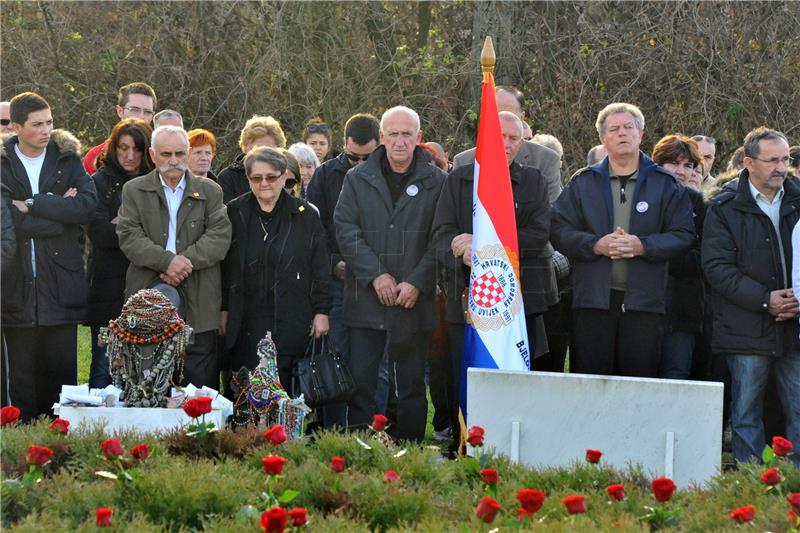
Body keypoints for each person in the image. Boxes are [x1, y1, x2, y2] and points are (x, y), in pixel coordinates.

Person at [551, 102, 694, 378]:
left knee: (639, 387)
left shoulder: (665, 184)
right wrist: (594, 244)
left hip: (645, 304)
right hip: (592, 303)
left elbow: (684, 235)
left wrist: (644, 246)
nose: (622, 133)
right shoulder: (583, 182)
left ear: (641, 134)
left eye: (629, 127)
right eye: (614, 129)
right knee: (592, 384)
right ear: (603, 138)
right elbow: (558, 230)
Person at [433, 111, 550, 447]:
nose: (507, 144)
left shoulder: (534, 182)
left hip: (514, 305)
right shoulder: (458, 180)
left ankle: (514, 447)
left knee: (513, 381)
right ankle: (465, 448)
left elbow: (538, 235)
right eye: (500, 137)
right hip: (466, 302)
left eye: (514, 138)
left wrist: (482, 245)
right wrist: (461, 250)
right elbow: (441, 235)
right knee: (466, 378)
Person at [334, 106, 446, 442]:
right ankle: (358, 452)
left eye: (407, 134)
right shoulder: (357, 178)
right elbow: (345, 229)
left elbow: (442, 235)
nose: (400, 141)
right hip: (366, 300)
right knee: (362, 385)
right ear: (381, 137)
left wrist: (417, 281)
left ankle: (408, 455)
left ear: (419, 138)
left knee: (410, 387)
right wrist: (376, 276)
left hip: (413, 302)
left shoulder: (437, 182)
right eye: (393, 134)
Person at [704, 127, 800, 466]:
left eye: (785, 159)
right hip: (745, 328)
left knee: (798, 411)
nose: (781, 167)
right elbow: (716, 267)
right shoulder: (724, 206)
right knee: (745, 413)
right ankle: (748, 486)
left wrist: (796, 302)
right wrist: (765, 299)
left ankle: (793, 488)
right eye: (771, 160)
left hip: (795, 326)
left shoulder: (798, 198)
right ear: (748, 162)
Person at [1, 92, 97, 421]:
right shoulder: (2, 164)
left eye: (50, 122)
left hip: (61, 284)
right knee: (21, 380)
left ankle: (59, 448)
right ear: (15, 127)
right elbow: (6, 219)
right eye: (37, 124)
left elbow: (86, 206)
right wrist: (58, 214)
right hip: (16, 288)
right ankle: (22, 448)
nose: (47, 130)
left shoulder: (66, 158)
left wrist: (33, 203)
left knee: (62, 381)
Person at [116, 125, 232, 389]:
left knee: (199, 382)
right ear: (153, 155)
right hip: (147, 293)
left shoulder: (211, 191)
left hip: (200, 297)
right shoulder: (134, 190)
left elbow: (219, 237)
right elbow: (128, 235)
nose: (173, 161)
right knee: (147, 379)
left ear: (188, 153)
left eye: (180, 153)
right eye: (166, 154)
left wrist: (183, 262)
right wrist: (166, 261)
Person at [220, 146, 331, 389]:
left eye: (271, 177)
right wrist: (224, 309)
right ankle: (247, 429)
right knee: (245, 385)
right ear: (248, 179)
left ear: (283, 177)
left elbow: (320, 266)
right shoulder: (234, 212)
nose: (264, 183)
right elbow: (225, 267)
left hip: (291, 313)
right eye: (256, 178)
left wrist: (321, 311)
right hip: (246, 315)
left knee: (285, 388)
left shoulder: (304, 215)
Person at [306, 113, 380, 429]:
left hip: (377, 281)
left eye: (367, 158)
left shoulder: (388, 174)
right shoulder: (325, 176)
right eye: (352, 158)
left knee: (376, 364)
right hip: (337, 280)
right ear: (343, 146)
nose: (359, 165)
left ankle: (373, 428)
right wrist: (334, 261)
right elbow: (315, 230)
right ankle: (333, 430)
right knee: (335, 358)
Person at [86, 118, 154, 389]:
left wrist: (122, 224)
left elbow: (162, 232)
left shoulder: (155, 181)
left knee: (147, 367)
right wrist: (138, 229)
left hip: (147, 283)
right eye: (123, 147)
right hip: (107, 282)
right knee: (104, 362)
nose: (129, 155)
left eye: (136, 149)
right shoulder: (99, 182)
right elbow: (100, 232)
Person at [651, 134, 707, 380]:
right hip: (642, 308)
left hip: (684, 312)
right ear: (658, 164)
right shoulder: (643, 198)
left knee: (677, 378)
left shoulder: (700, 204)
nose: (681, 172)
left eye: (688, 166)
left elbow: (705, 256)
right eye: (674, 163)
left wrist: (657, 251)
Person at [452, 85, 562, 204]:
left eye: (508, 114)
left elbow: (551, 212)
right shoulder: (464, 161)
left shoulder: (545, 160)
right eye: (496, 113)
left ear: (522, 116)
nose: (501, 119)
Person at [82, 82, 157, 175]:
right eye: (134, 110)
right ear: (120, 111)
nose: (141, 116)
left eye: (147, 112)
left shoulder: (161, 155)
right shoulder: (95, 155)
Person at [218, 115, 286, 203]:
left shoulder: (288, 174)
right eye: (257, 150)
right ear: (245, 148)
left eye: (268, 150)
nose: (263, 156)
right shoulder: (228, 178)